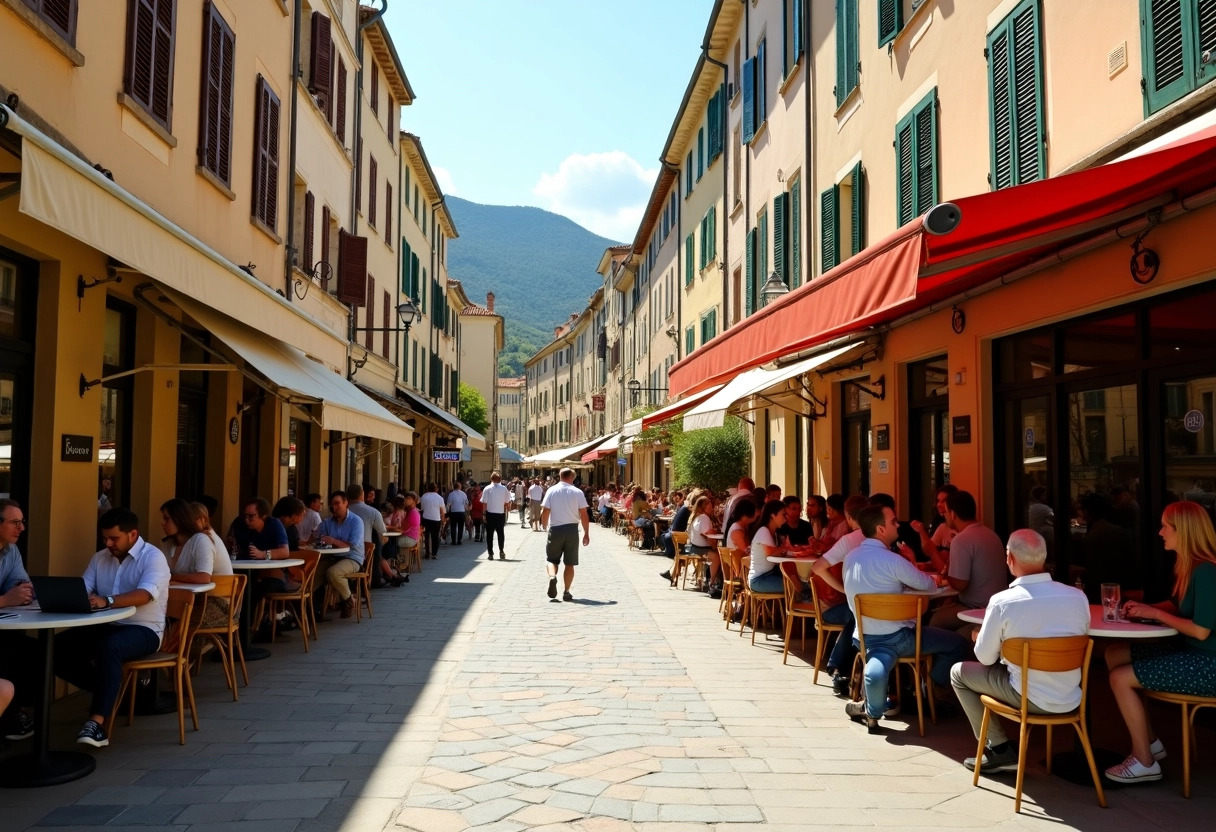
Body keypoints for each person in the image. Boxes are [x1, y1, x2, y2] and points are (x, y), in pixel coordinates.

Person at [950, 529, 1089, 774]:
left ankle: (999, 749)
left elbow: (984, 658)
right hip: (1071, 697)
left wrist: (979, 637)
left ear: (1010, 558)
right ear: (1043, 558)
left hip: (1027, 697)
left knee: (958, 673)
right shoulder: (1078, 597)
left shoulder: (1003, 601)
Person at [1104, 500, 1216, 784]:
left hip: (1208, 664)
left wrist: (1153, 613)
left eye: (1166, 526)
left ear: (1185, 531)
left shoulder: (1207, 571)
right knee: (1114, 653)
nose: (1160, 532)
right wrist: (1145, 608)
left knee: (1120, 678)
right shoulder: (1192, 567)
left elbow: (1201, 631)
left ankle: (1144, 761)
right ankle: (1151, 742)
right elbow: (1179, 606)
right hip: (1195, 654)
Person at [842, 505, 969, 732]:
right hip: (902, 639)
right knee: (958, 643)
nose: (897, 524)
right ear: (881, 529)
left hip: (864, 637)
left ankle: (873, 710)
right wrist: (910, 562)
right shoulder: (892, 560)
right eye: (893, 522)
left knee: (878, 664)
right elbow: (928, 584)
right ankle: (930, 691)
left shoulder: (850, 558)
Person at [53, 507, 170, 747]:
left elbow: (146, 594)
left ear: (133, 534)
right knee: (56, 647)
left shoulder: (153, 557)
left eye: (114, 538)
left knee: (110, 647)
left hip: (144, 629)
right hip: (105, 625)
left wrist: (107, 600)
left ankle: (97, 723)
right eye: (105, 537)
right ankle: (111, 688)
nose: (108, 543)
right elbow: (84, 589)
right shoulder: (99, 558)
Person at [810, 495, 871, 692]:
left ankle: (838, 666)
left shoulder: (849, 540)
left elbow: (818, 567)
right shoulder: (881, 538)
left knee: (858, 614)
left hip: (851, 603)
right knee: (858, 615)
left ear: (849, 518)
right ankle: (839, 667)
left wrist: (843, 589)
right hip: (854, 605)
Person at [928, 491, 1010, 631]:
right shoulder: (992, 534)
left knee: (935, 620)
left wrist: (947, 573)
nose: (945, 516)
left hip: (977, 608)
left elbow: (960, 584)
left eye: (946, 512)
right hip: (1000, 606)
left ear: (953, 514)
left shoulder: (961, 540)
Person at [0, 499, 36, 741]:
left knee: (32, 652)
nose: (21, 528)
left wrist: (24, 592)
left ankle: (14, 714)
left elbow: (20, 586)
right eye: (15, 522)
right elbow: (9, 597)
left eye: (21, 522)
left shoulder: (11, 551)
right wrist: (5, 600)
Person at [1077, 492, 1140, 603]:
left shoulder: (1097, 533)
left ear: (1088, 511)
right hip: (1122, 584)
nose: (1081, 513)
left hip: (1105, 589)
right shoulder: (1112, 528)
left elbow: (1094, 567)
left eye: (1082, 509)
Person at [540, 468, 591, 602]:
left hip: (556, 529)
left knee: (551, 559)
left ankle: (552, 577)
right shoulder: (578, 492)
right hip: (572, 530)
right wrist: (586, 533)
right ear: (572, 478)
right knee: (570, 563)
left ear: (560, 476)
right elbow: (584, 514)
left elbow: (545, 510)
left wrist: (544, 525)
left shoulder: (551, 490)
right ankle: (567, 591)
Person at [315, 490, 366, 619]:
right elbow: (318, 537)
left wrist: (332, 541)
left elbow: (350, 544)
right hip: (332, 557)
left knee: (333, 572)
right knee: (312, 573)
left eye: (337, 503)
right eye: (332, 504)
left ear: (346, 503)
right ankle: (312, 611)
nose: (334, 507)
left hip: (352, 557)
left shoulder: (356, 521)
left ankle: (349, 602)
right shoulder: (328, 522)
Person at [347, 484, 395, 587]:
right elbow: (382, 531)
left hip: (341, 550)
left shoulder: (343, 510)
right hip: (363, 551)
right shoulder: (372, 511)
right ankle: (375, 579)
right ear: (362, 495)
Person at [910, 484, 960, 571]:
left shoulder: (965, 531)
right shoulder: (942, 527)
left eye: (944, 501)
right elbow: (928, 550)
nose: (939, 505)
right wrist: (921, 531)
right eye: (938, 501)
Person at [747, 501, 787, 596]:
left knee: (796, 582)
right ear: (772, 515)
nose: (785, 519)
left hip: (769, 575)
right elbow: (772, 553)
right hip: (759, 580)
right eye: (783, 515)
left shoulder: (774, 533)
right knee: (794, 585)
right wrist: (787, 548)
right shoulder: (763, 531)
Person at [231, 498, 290, 562]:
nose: (246, 520)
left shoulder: (274, 524)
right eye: (245, 516)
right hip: (244, 564)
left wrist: (262, 554)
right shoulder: (240, 523)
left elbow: (285, 552)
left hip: (269, 565)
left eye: (251, 516)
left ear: (264, 516)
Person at [480, 472, 510, 560]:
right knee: (500, 533)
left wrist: (484, 515)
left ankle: (490, 553)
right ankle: (501, 550)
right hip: (500, 514)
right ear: (500, 479)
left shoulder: (487, 488)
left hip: (490, 514)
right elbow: (507, 501)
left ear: (491, 479)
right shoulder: (504, 489)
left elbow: (484, 503)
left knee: (489, 534)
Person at [418, 483, 445, 559]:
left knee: (426, 535)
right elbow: (442, 510)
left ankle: (427, 552)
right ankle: (434, 553)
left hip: (426, 518)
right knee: (435, 537)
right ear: (437, 489)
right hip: (436, 519)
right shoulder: (439, 498)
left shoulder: (424, 496)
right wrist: (443, 518)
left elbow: (422, 508)